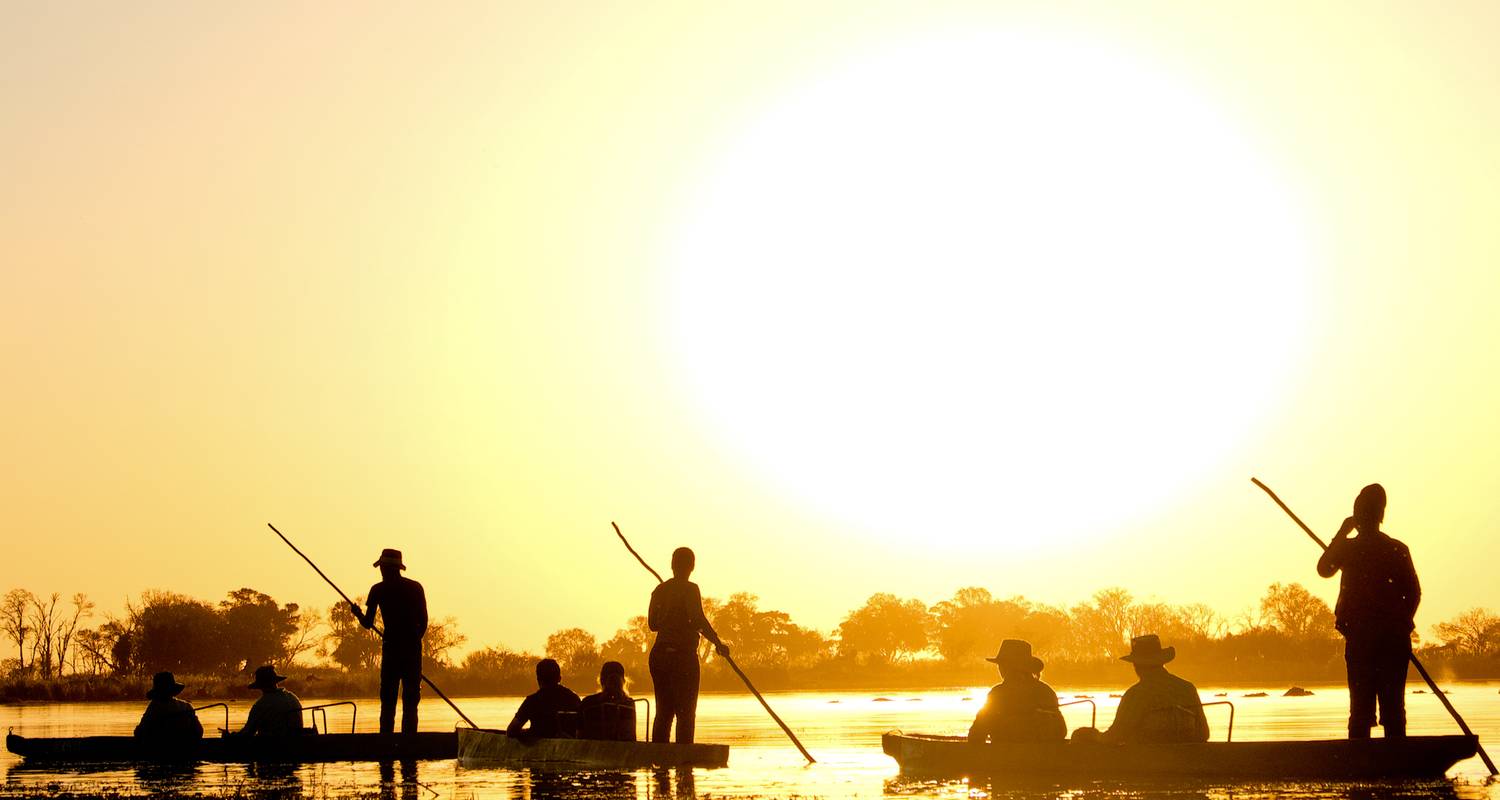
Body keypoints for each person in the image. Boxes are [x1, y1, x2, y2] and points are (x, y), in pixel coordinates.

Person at [1317, 483, 1420, 738]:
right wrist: (1341, 535)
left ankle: (1381, 760)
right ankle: (1373, 759)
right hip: (1368, 638)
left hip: (1382, 640)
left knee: (1377, 709)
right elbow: (1325, 569)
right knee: (1376, 710)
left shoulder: (1387, 549)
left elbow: (1413, 593)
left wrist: (1402, 622)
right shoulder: (1355, 549)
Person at [648, 546, 729, 744]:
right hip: (681, 657)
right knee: (685, 714)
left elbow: (653, 624)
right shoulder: (690, 589)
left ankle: (661, 767)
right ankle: (684, 764)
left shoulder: (660, 590)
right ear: (692, 566)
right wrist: (718, 642)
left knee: (664, 712)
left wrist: (670, 613)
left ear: (672, 565)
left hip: (659, 656)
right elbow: (698, 620)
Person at [1074, 635, 1208, 744]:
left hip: (1147, 759)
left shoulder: (1136, 695)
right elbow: (1204, 733)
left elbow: (1116, 736)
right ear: (1161, 661)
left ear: (1136, 665)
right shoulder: (1187, 688)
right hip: (1187, 757)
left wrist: (1093, 736)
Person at [352, 548, 428, 735]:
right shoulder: (415, 587)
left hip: (392, 650)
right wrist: (412, 641)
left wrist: (358, 614)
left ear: (385, 568)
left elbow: (368, 624)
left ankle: (386, 741)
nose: (381, 570)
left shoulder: (378, 589)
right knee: (411, 701)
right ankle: (409, 741)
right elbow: (424, 622)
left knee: (388, 700)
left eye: (382, 567)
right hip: (411, 650)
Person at [968, 640, 1065, 743]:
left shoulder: (998, 693)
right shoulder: (1045, 691)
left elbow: (976, 734)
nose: (999, 668)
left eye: (1001, 664)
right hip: (1040, 757)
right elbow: (1061, 731)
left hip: (1003, 756)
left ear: (1006, 667)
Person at [507, 658, 581, 740]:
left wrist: (529, 732)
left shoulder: (532, 701)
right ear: (560, 678)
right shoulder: (574, 698)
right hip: (569, 746)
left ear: (538, 680)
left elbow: (511, 731)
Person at [229, 665, 303, 737]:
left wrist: (231, 736)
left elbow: (248, 732)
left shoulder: (261, 705)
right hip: (297, 741)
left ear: (260, 686)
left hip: (272, 744)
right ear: (275, 682)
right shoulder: (293, 698)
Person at [134, 671, 203, 741]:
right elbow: (199, 732)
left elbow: (139, 733)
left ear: (157, 692)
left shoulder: (154, 707)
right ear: (173, 690)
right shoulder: (186, 706)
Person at [579, 660, 637, 741]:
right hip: (622, 750)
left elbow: (580, 735)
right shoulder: (629, 703)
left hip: (594, 750)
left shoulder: (588, 702)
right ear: (623, 681)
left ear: (601, 680)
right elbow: (631, 736)